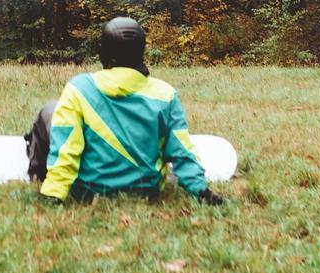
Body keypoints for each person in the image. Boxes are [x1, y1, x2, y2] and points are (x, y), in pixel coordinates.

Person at [24, 16, 225, 205]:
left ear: (102, 52)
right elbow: (182, 151)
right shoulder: (166, 94)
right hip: (147, 191)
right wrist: (201, 191)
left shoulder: (79, 88)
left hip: (88, 191)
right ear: (141, 52)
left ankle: (37, 173)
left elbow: (66, 149)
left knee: (50, 109)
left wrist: (53, 194)